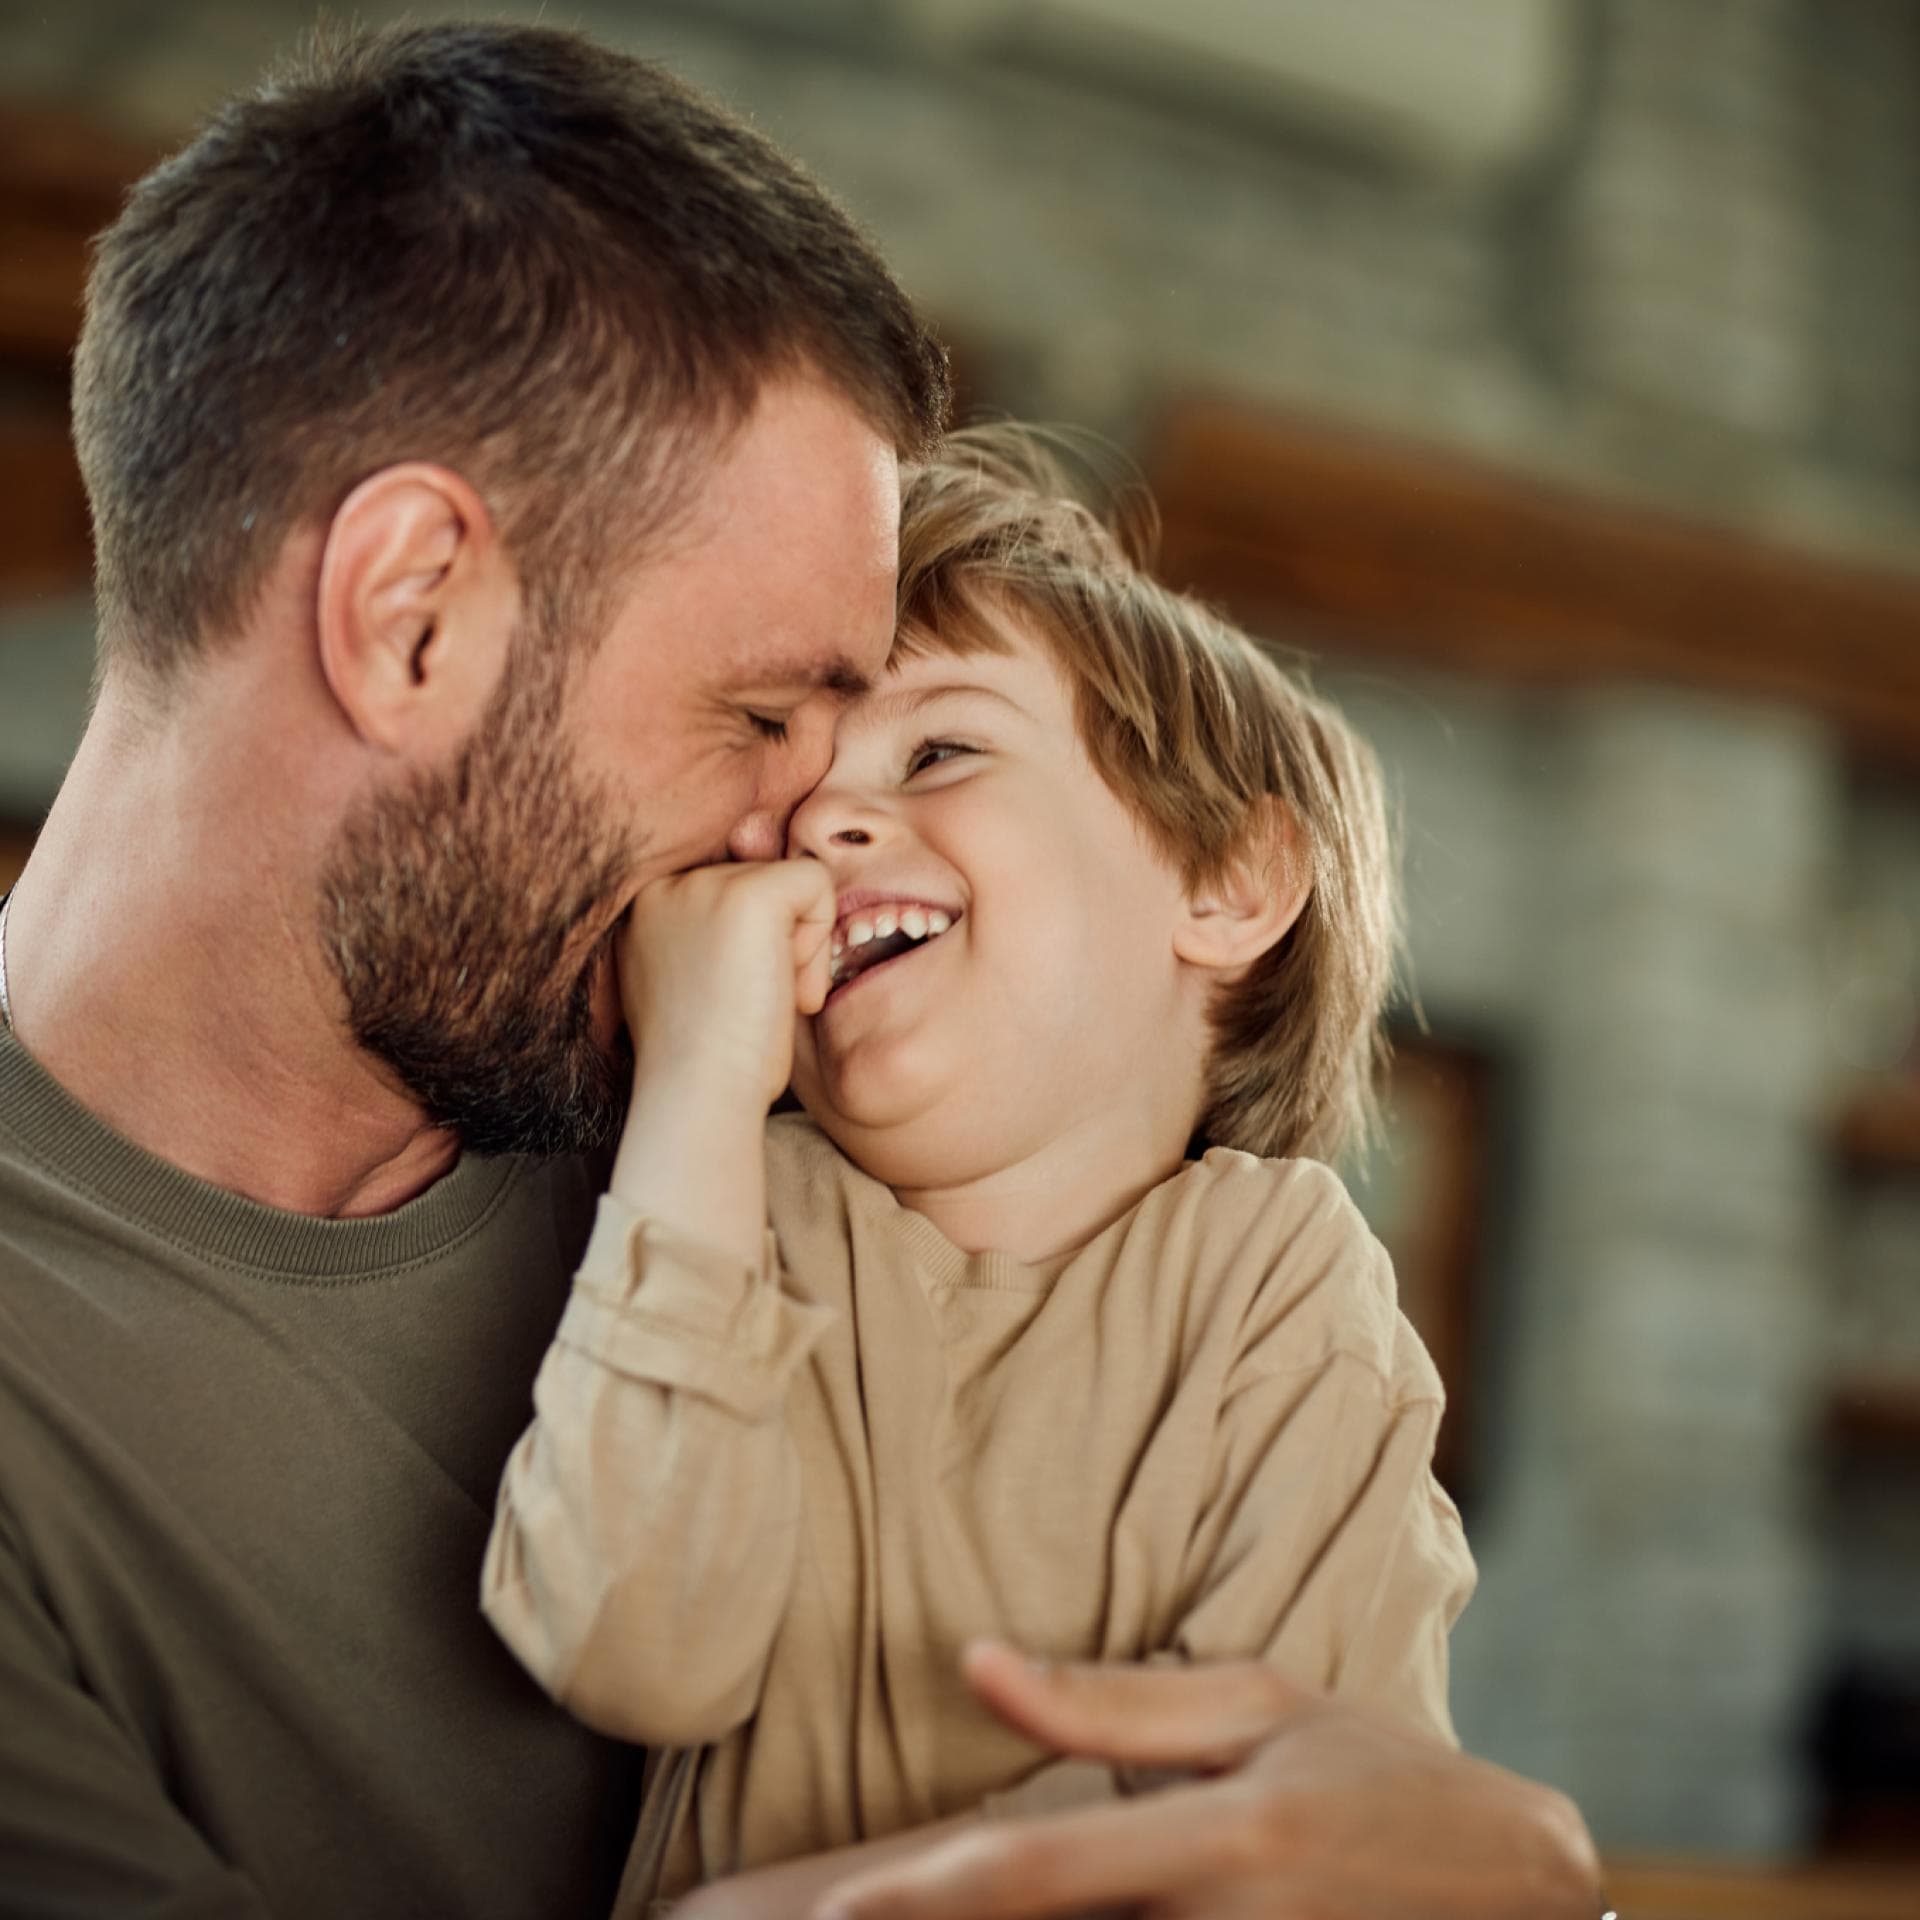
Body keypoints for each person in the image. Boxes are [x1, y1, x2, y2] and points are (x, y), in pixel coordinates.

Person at [0, 18, 1602, 1920]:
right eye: (765, 717)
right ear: (410, 616)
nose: (803, 839)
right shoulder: (708, 1145)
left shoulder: (780, 1116)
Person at [481, 425, 1477, 1914]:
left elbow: (1269, 1820)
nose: (819, 828)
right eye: (787, 811)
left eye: (938, 751)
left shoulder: (1279, 1277)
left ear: (1228, 882)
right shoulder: (730, 1209)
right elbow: (630, 1645)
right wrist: (694, 1082)